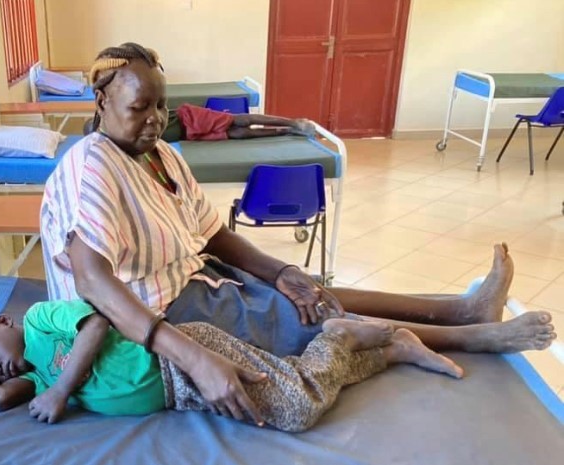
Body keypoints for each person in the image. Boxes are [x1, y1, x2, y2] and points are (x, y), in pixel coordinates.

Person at [39, 42, 556, 420]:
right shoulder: (92, 168)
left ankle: (461, 308)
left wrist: (285, 270)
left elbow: (213, 235)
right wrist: (192, 355)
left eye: (160, 106)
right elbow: (93, 283)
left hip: (193, 277)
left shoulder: (161, 156)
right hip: (153, 313)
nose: (155, 121)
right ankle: (474, 335)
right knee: (312, 319)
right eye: (139, 109)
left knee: (312, 293)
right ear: (101, 104)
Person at [0, 300, 462, 430]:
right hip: (184, 395)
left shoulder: (41, 319)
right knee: (295, 388)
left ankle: (340, 332)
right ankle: (391, 350)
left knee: (297, 407)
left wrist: (62, 389)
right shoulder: (29, 381)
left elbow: (100, 324)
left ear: (3, 322)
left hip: (185, 358)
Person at [160, 103, 315, 142]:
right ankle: (287, 131)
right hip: (186, 135)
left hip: (188, 118)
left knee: (236, 120)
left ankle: (294, 123)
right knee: (235, 134)